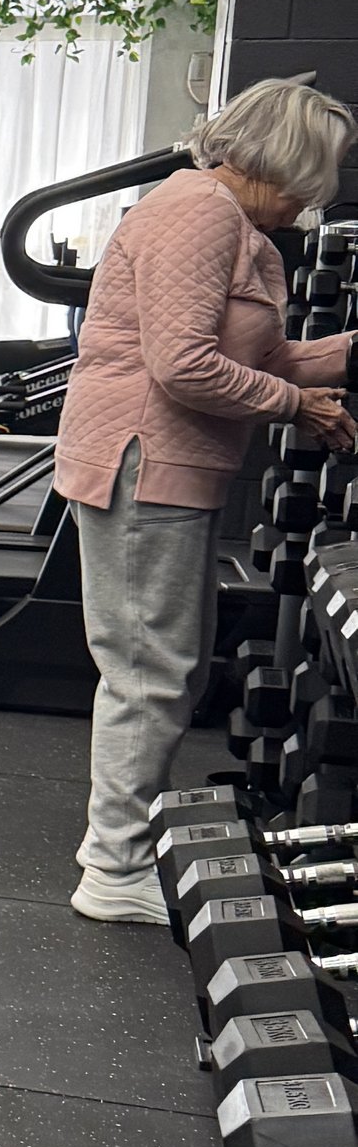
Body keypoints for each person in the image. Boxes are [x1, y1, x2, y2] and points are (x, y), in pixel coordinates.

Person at [57, 77, 358, 923]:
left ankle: (121, 851)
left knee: (164, 667)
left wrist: (340, 355)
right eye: (312, 174)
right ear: (279, 158)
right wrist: (295, 405)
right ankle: (112, 870)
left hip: (164, 464)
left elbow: (260, 356)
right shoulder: (199, 213)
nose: (311, 199)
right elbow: (184, 365)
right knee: (149, 670)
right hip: (142, 460)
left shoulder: (229, 222)